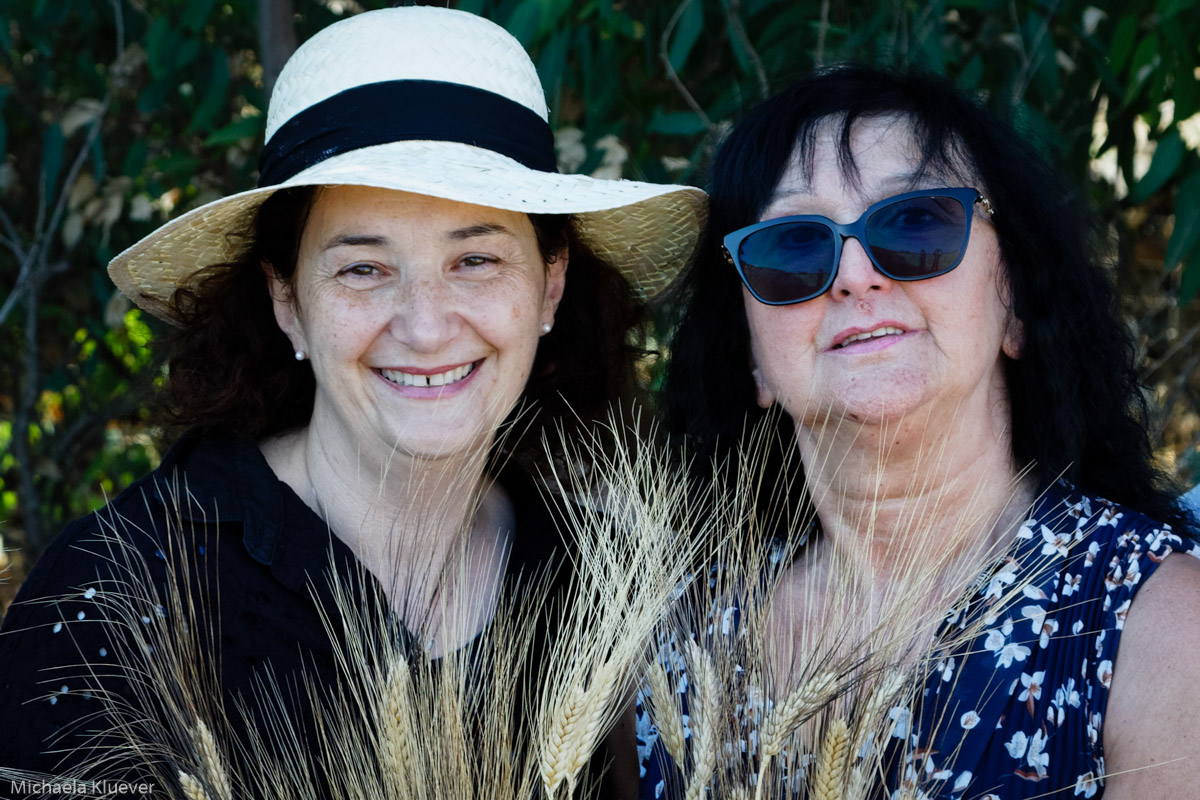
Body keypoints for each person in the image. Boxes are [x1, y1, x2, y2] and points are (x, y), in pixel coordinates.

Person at [0, 6, 704, 792]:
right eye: (363, 269)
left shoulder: (601, 583)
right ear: (288, 302)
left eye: (475, 260)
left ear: (551, 286)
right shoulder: (115, 597)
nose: (426, 327)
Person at [640, 64, 1199, 798]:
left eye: (917, 222)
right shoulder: (672, 646)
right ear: (751, 355)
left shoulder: (1159, 629)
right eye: (793, 246)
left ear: (1014, 300)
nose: (855, 275)